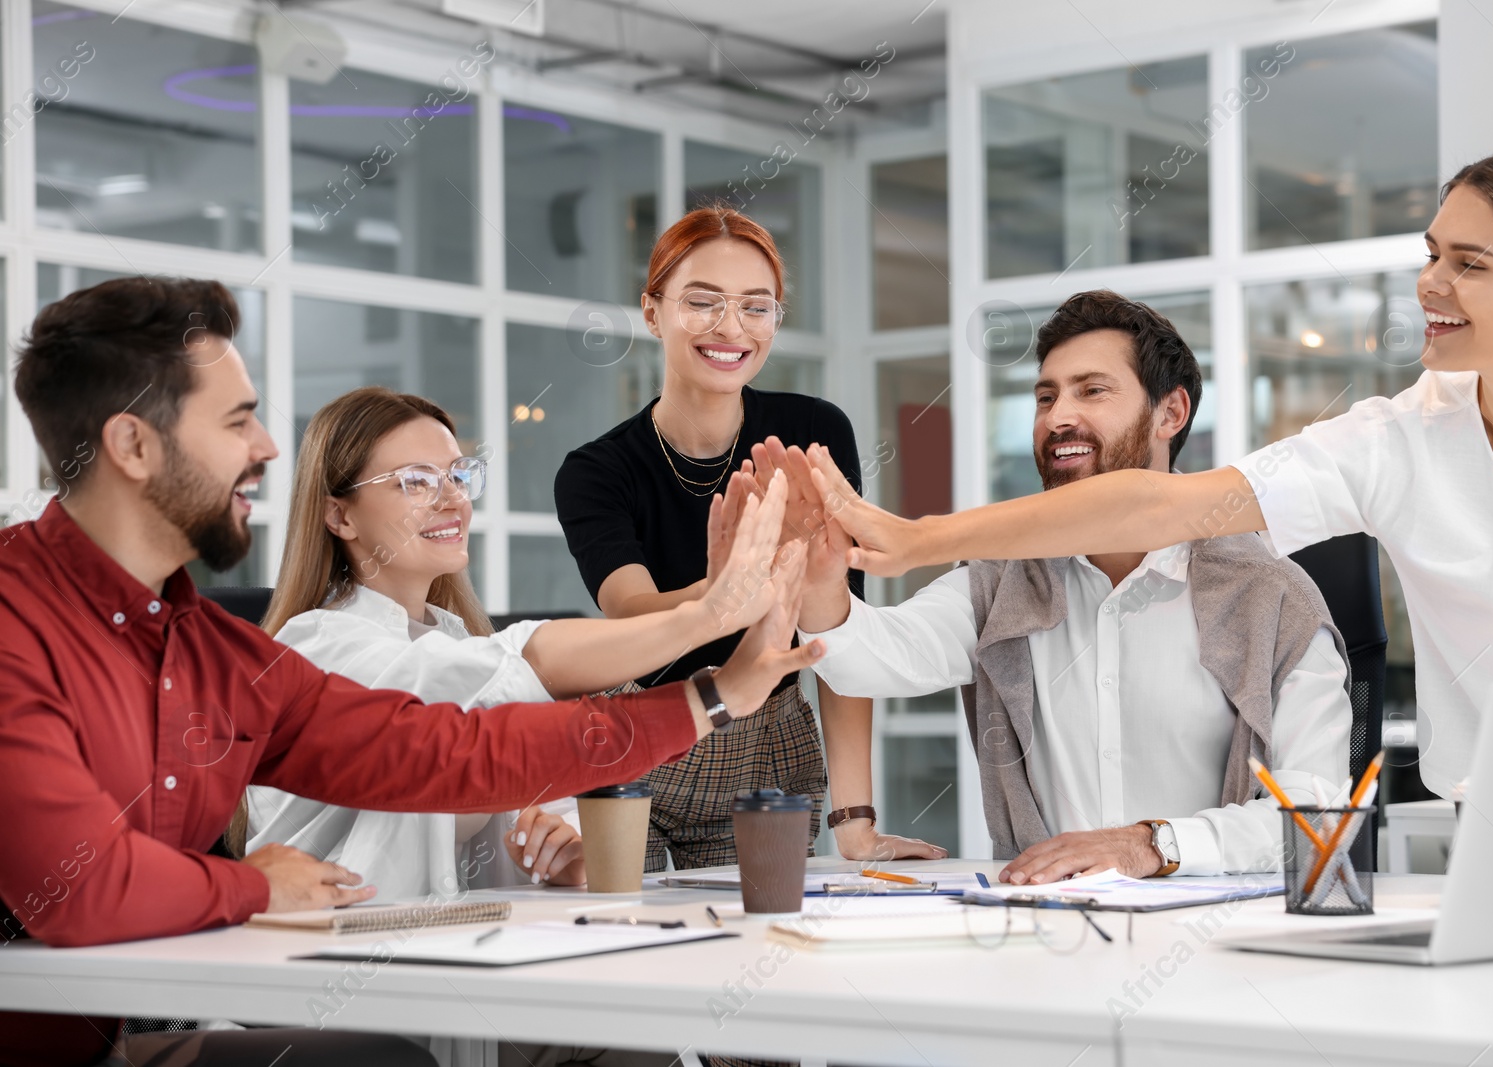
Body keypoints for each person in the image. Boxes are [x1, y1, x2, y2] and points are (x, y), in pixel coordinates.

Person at [0, 277, 819, 1067]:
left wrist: (714, 691)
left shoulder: (216, 653)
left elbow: (452, 753)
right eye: (238, 421)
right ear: (133, 445)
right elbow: (83, 886)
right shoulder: (16, 626)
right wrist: (249, 883)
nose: (267, 448)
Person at [803, 148, 1493, 803]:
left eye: (1469, 263)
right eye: (1431, 254)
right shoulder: (1399, 443)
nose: (1430, 284)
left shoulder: (1266, 603)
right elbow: (1162, 505)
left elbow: (1307, 806)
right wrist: (915, 541)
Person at [248, 386, 798, 1067]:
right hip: (336, 990)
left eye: (458, 475)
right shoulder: (318, 646)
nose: (451, 499)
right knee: (636, 1032)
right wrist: (706, 621)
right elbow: (499, 676)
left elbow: (515, 754)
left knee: (646, 1027)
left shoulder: (450, 635)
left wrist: (561, 856)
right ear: (339, 514)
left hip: (458, 973)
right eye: (416, 482)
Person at [783, 291, 1351, 882]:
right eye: (1046, 396)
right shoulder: (1006, 578)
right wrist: (820, 581)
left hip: (1213, 940)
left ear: (1171, 413)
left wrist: (1152, 846)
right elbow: (876, 661)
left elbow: (1317, 815)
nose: (1058, 417)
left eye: (1092, 390)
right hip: (1045, 934)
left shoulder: (1272, 596)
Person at [554, 206, 943, 871]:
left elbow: (840, 633)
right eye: (702, 302)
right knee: (626, 935)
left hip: (766, 737)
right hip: (640, 729)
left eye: (756, 308)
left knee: (756, 938)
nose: (731, 328)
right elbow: (629, 613)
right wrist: (726, 589)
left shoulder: (812, 433)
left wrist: (857, 822)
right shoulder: (598, 469)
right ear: (651, 312)